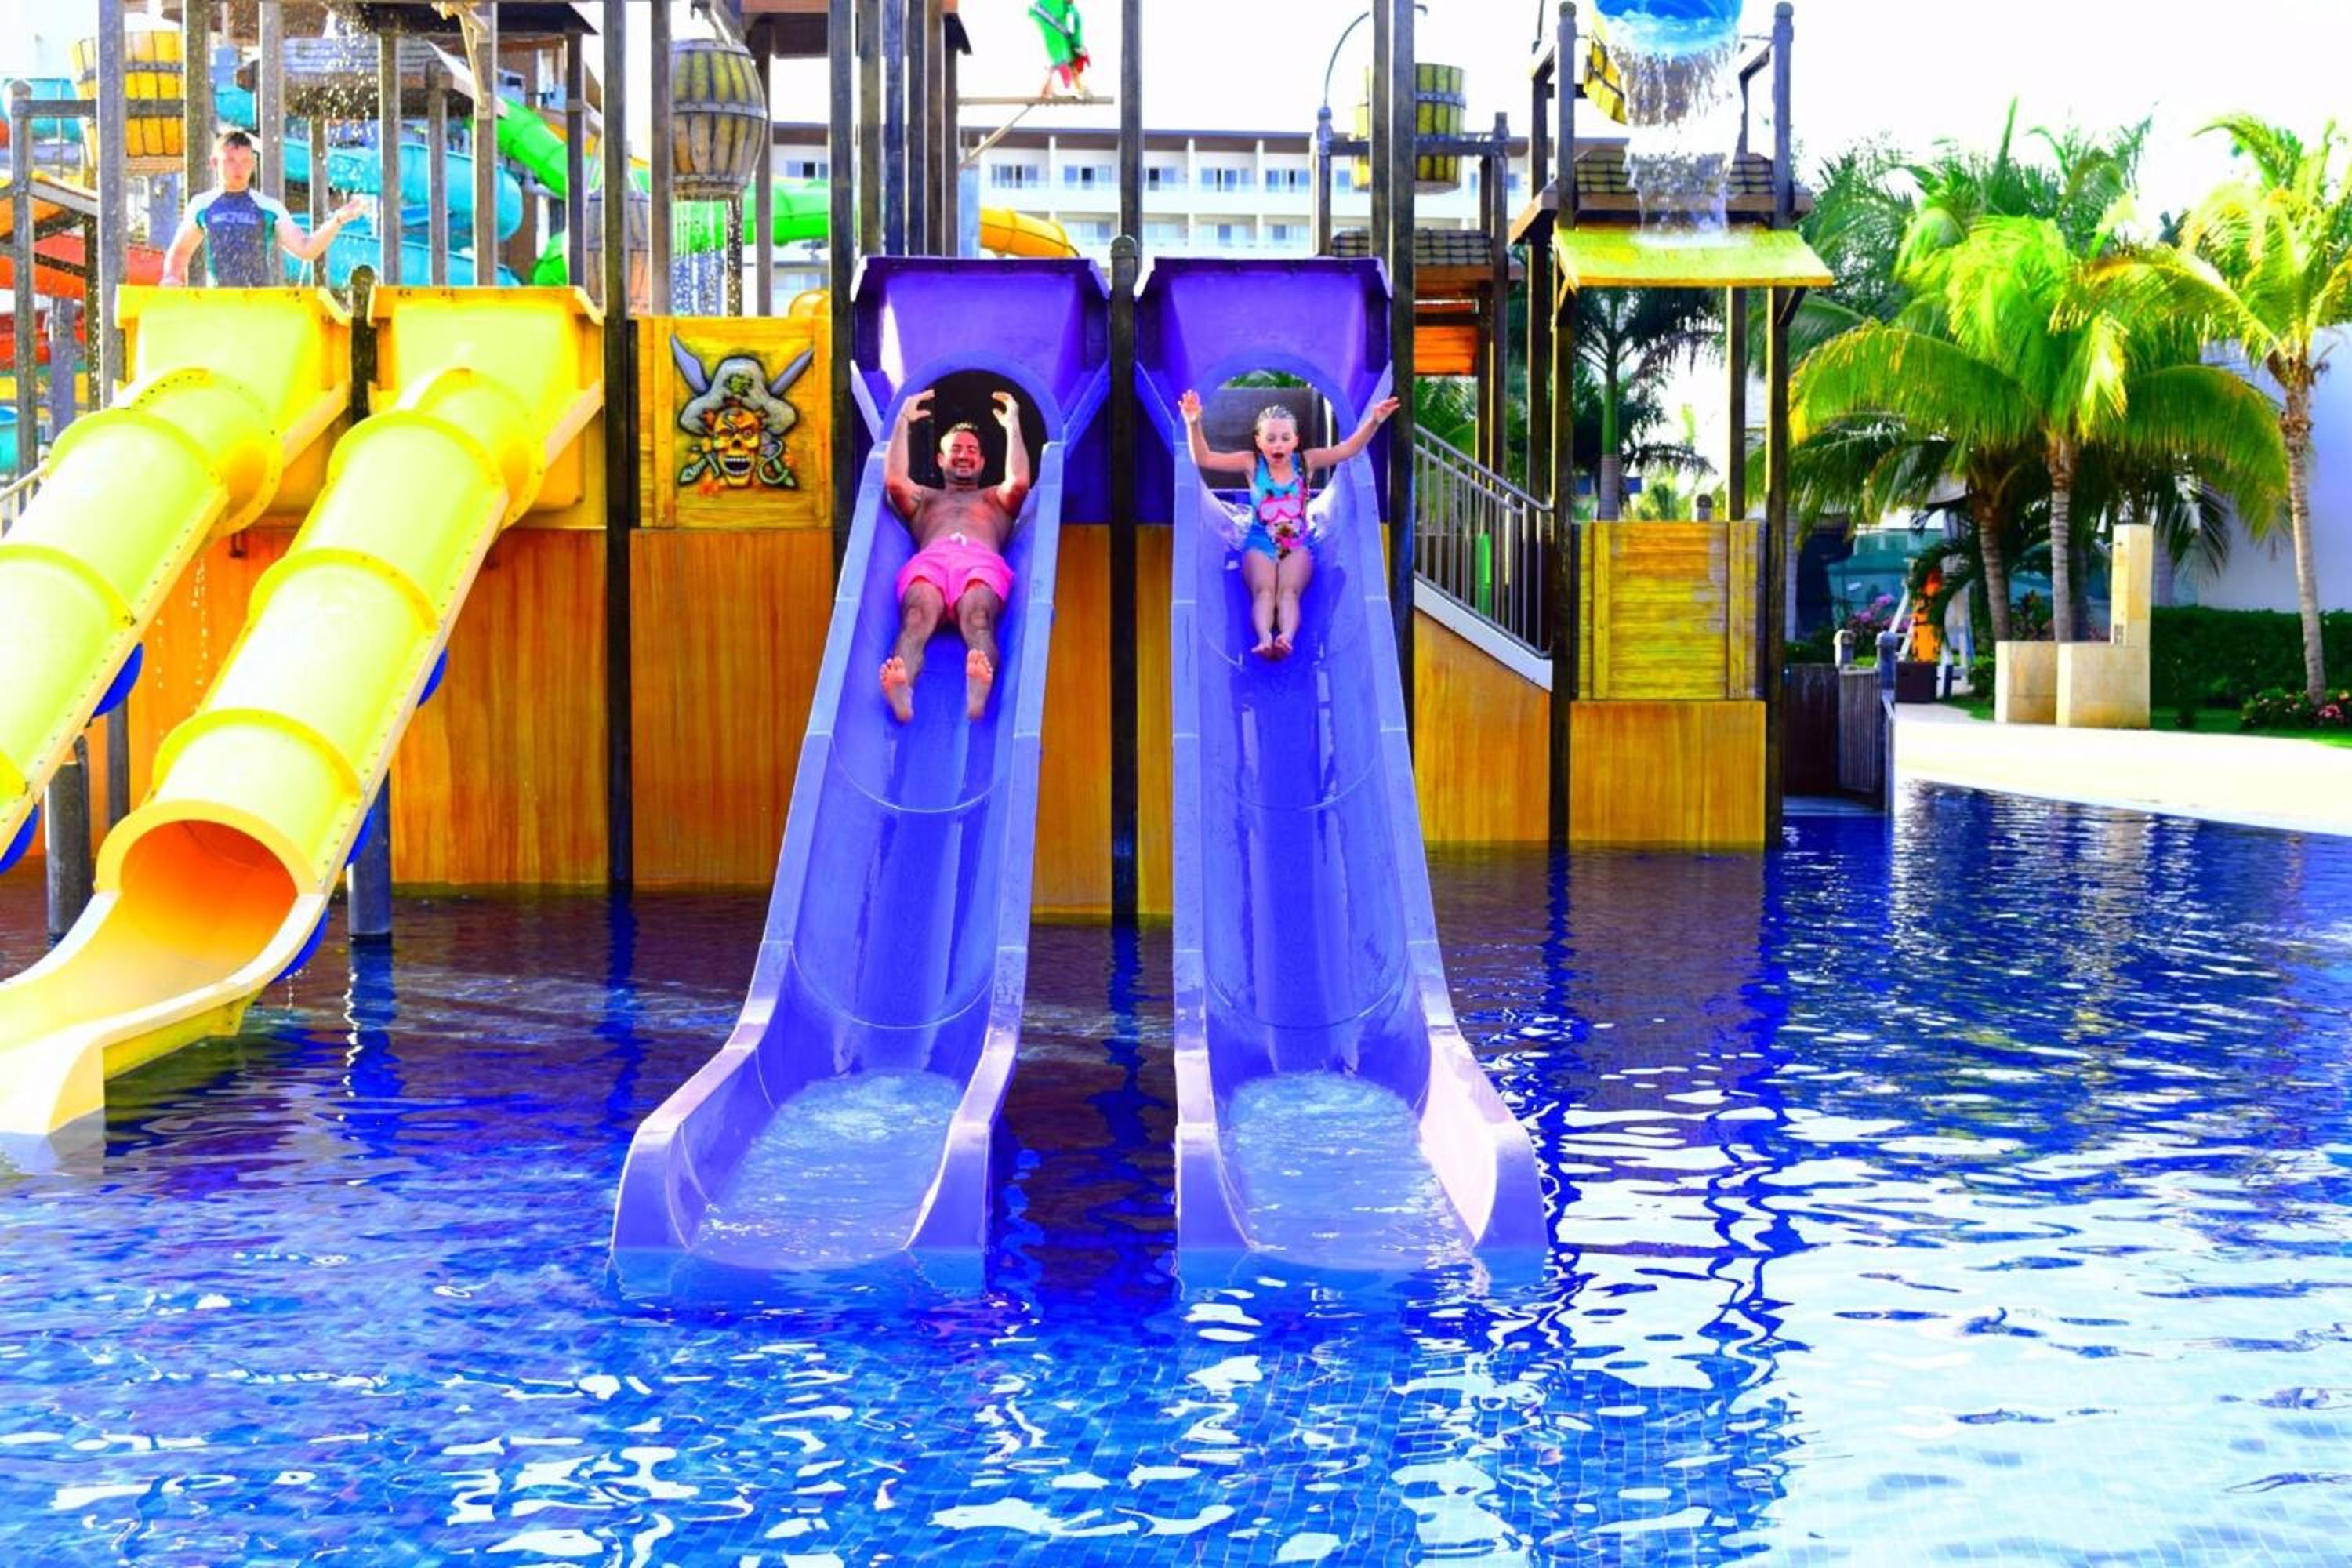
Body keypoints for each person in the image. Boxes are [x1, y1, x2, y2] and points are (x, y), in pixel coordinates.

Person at [1178, 389, 1400, 659]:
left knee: (1289, 592)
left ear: (1296, 440)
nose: (1278, 445)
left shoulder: (1306, 462)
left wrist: (1374, 420)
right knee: (1264, 591)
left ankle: (1286, 637)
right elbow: (1204, 458)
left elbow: (1348, 449)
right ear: (1259, 441)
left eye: (1285, 438)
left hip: (1296, 544)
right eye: (1270, 438)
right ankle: (1264, 637)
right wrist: (1193, 423)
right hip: (1259, 541)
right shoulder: (1251, 463)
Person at [881, 387, 1032, 722]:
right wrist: (903, 419)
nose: (964, 455)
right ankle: (903, 691)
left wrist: (1013, 425)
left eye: (972, 450)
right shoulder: (926, 499)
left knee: (978, 619)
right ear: (940, 459)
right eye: (956, 449)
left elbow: (1020, 482)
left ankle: (978, 691)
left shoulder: (994, 499)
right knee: (915, 618)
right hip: (932, 562)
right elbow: (894, 481)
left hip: (979, 562)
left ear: (982, 462)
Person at [160, 129, 367, 289]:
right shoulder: (201, 205)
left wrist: (337, 220)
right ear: (214, 163)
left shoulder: (269, 208)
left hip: (261, 302)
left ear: (253, 163)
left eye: (245, 161)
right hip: (218, 304)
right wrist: (171, 278)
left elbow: (306, 249)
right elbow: (180, 253)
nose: (239, 168)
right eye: (230, 160)